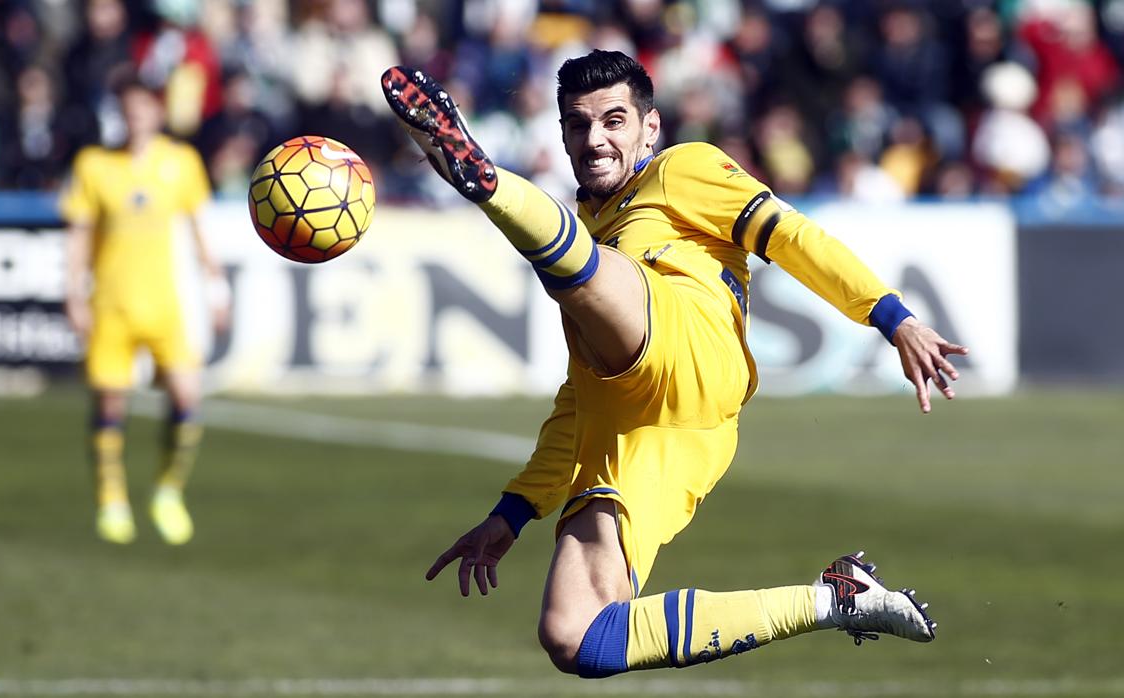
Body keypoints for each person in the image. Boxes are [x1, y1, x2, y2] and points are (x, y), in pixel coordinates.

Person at [380, 51, 968, 678]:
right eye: (579, 125)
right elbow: (578, 401)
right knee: (575, 636)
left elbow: (792, 236)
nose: (595, 139)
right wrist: (513, 513)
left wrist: (891, 316)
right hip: (641, 435)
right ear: (563, 135)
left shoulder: (682, 169)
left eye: (614, 120)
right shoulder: (587, 226)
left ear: (650, 127)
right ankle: (837, 599)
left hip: (689, 350)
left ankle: (488, 183)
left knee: (585, 275)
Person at [61, 73, 229, 545]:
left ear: (157, 112)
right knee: (110, 403)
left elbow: (200, 230)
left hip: (165, 305)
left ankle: (168, 491)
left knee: (187, 397)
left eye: (143, 108)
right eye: (128, 109)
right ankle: (111, 499)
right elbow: (78, 234)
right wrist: (73, 294)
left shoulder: (181, 161)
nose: (135, 117)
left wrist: (218, 290)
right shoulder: (95, 164)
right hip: (111, 304)